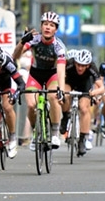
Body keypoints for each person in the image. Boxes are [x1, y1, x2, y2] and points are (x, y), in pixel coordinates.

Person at [12, 11, 67, 150]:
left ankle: (54, 133)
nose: (48, 27)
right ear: (41, 26)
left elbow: (61, 70)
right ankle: (36, 132)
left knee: (54, 97)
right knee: (31, 105)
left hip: (52, 76)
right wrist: (22, 42)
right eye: (45, 24)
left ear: (56, 29)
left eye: (52, 25)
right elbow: (15, 56)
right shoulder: (34, 40)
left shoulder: (59, 46)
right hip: (35, 75)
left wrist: (61, 89)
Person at [60, 49, 105, 156]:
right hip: (69, 82)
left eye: (83, 66)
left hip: (85, 85)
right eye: (78, 65)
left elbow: (102, 88)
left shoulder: (92, 68)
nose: (80, 68)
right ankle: (65, 116)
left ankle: (82, 140)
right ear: (75, 62)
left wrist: (95, 92)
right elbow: (60, 76)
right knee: (65, 96)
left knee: (84, 108)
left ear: (88, 65)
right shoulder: (69, 64)